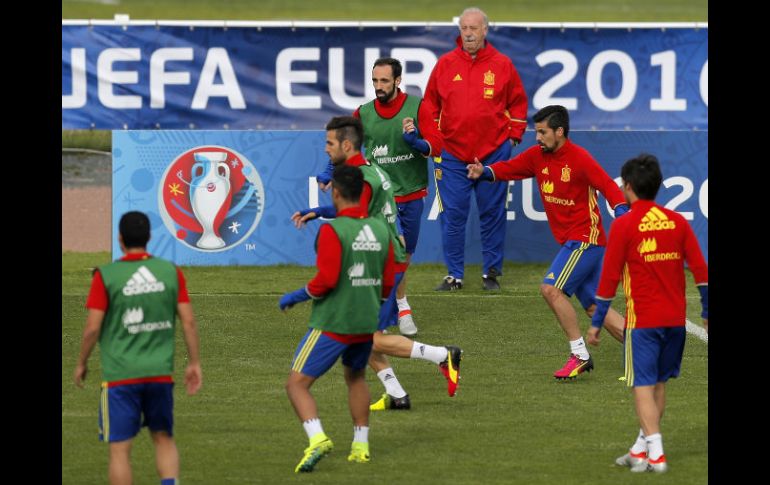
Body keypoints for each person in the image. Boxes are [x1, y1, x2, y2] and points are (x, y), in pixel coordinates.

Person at [293, 116, 463, 410]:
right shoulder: (368, 170)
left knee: (367, 337)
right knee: (365, 335)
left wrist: (317, 211)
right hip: (384, 255)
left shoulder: (361, 177)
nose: (326, 149)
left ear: (346, 145)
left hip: (382, 261)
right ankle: (397, 394)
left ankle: (441, 355)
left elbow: (352, 214)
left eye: (330, 143)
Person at [467, 105, 628, 379]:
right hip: (575, 242)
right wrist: (485, 171)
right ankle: (646, 352)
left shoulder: (580, 158)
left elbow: (609, 187)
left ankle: (579, 355)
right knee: (592, 306)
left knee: (551, 289)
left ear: (560, 132)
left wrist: (623, 213)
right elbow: (512, 168)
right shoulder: (537, 156)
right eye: (536, 132)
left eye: (542, 132)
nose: (537, 137)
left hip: (585, 239)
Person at [586, 154, 708, 474]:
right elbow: (701, 270)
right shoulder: (677, 222)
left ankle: (656, 453)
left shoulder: (625, 225)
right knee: (659, 384)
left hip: (642, 323)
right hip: (676, 323)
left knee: (641, 385)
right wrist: (706, 311)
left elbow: (609, 279)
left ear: (627, 187)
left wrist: (597, 324)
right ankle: (640, 450)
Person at [280, 164, 396, 472]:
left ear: (336, 192)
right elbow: (387, 282)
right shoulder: (380, 229)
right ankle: (361, 446)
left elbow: (326, 281)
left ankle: (317, 438)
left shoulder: (332, 229)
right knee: (355, 377)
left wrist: (296, 296)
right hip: (366, 322)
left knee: (296, 384)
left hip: (334, 322)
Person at [316, 57, 443, 336]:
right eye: (375, 81)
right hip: (379, 195)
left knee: (405, 253)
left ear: (397, 81)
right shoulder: (363, 113)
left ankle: (395, 303)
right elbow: (345, 143)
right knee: (387, 252)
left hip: (411, 193)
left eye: (384, 81)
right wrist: (328, 172)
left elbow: (437, 146)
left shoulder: (418, 107)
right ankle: (396, 309)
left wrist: (416, 141)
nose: (378, 86)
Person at [73, 211, 202, 485]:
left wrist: (82, 363)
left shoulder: (106, 276)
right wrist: (194, 363)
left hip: (120, 377)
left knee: (120, 450)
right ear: (149, 237)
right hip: (160, 375)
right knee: (163, 437)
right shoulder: (169, 271)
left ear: (120, 239)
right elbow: (188, 321)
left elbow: (92, 328)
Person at [424, 6, 528, 291]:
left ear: (485, 30)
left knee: (492, 214)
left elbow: (518, 102)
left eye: (473, 28)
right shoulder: (445, 64)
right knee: (453, 215)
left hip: (493, 152)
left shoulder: (503, 64)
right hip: (452, 155)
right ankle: (454, 275)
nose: (468, 33)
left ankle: (491, 273)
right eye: (464, 28)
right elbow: (430, 105)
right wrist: (435, 138)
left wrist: (514, 135)